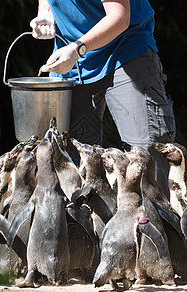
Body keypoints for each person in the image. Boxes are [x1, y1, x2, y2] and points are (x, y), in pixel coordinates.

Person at [30, 0, 176, 199]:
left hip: (125, 48)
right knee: (69, 164)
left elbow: (120, 17)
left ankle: (155, 224)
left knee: (145, 161)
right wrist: (45, 13)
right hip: (69, 56)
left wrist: (77, 49)